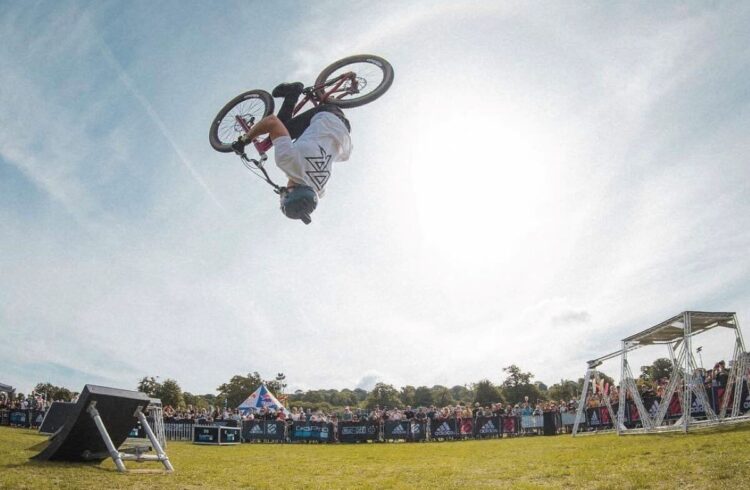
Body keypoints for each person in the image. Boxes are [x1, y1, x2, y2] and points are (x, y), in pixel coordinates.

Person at [232, 82, 352, 225]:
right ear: (290, 192)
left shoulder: (318, 188)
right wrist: (244, 140)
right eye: (283, 195)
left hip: (343, 130)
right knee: (279, 126)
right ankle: (293, 91)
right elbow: (272, 122)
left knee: (303, 139)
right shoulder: (287, 161)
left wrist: (302, 208)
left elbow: (311, 194)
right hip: (326, 114)